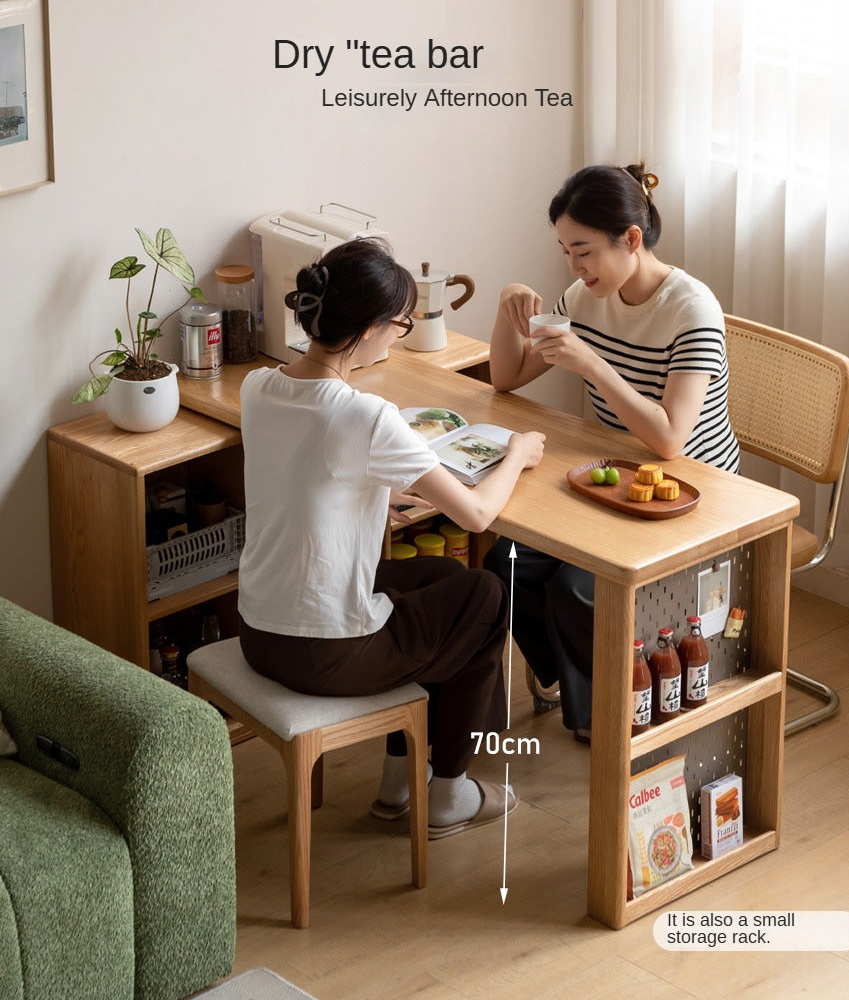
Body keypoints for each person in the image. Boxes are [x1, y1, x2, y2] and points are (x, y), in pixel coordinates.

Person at [237, 238, 545, 836]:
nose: (400, 336)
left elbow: (315, 477)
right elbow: (478, 515)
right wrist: (517, 454)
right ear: (374, 328)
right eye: (401, 325)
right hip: (325, 654)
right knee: (486, 597)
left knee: (447, 580)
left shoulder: (259, 388)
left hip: (259, 630)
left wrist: (389, 489)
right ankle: (449, 790)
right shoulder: (365, 415)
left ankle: (400, 782)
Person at [485, 163, 740, 742]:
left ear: (630, 239)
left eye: (583, 251)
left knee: (578, 586)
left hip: (688, 492)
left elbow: (672, 439)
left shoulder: (691, 309)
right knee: (508, 566)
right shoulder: (584, 295)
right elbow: (505, 377)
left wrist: (592, 364)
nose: (572, 269)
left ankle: (602, 716)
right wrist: (507, 309)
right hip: (608, 480)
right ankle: (582, 685)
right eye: (564, 252)